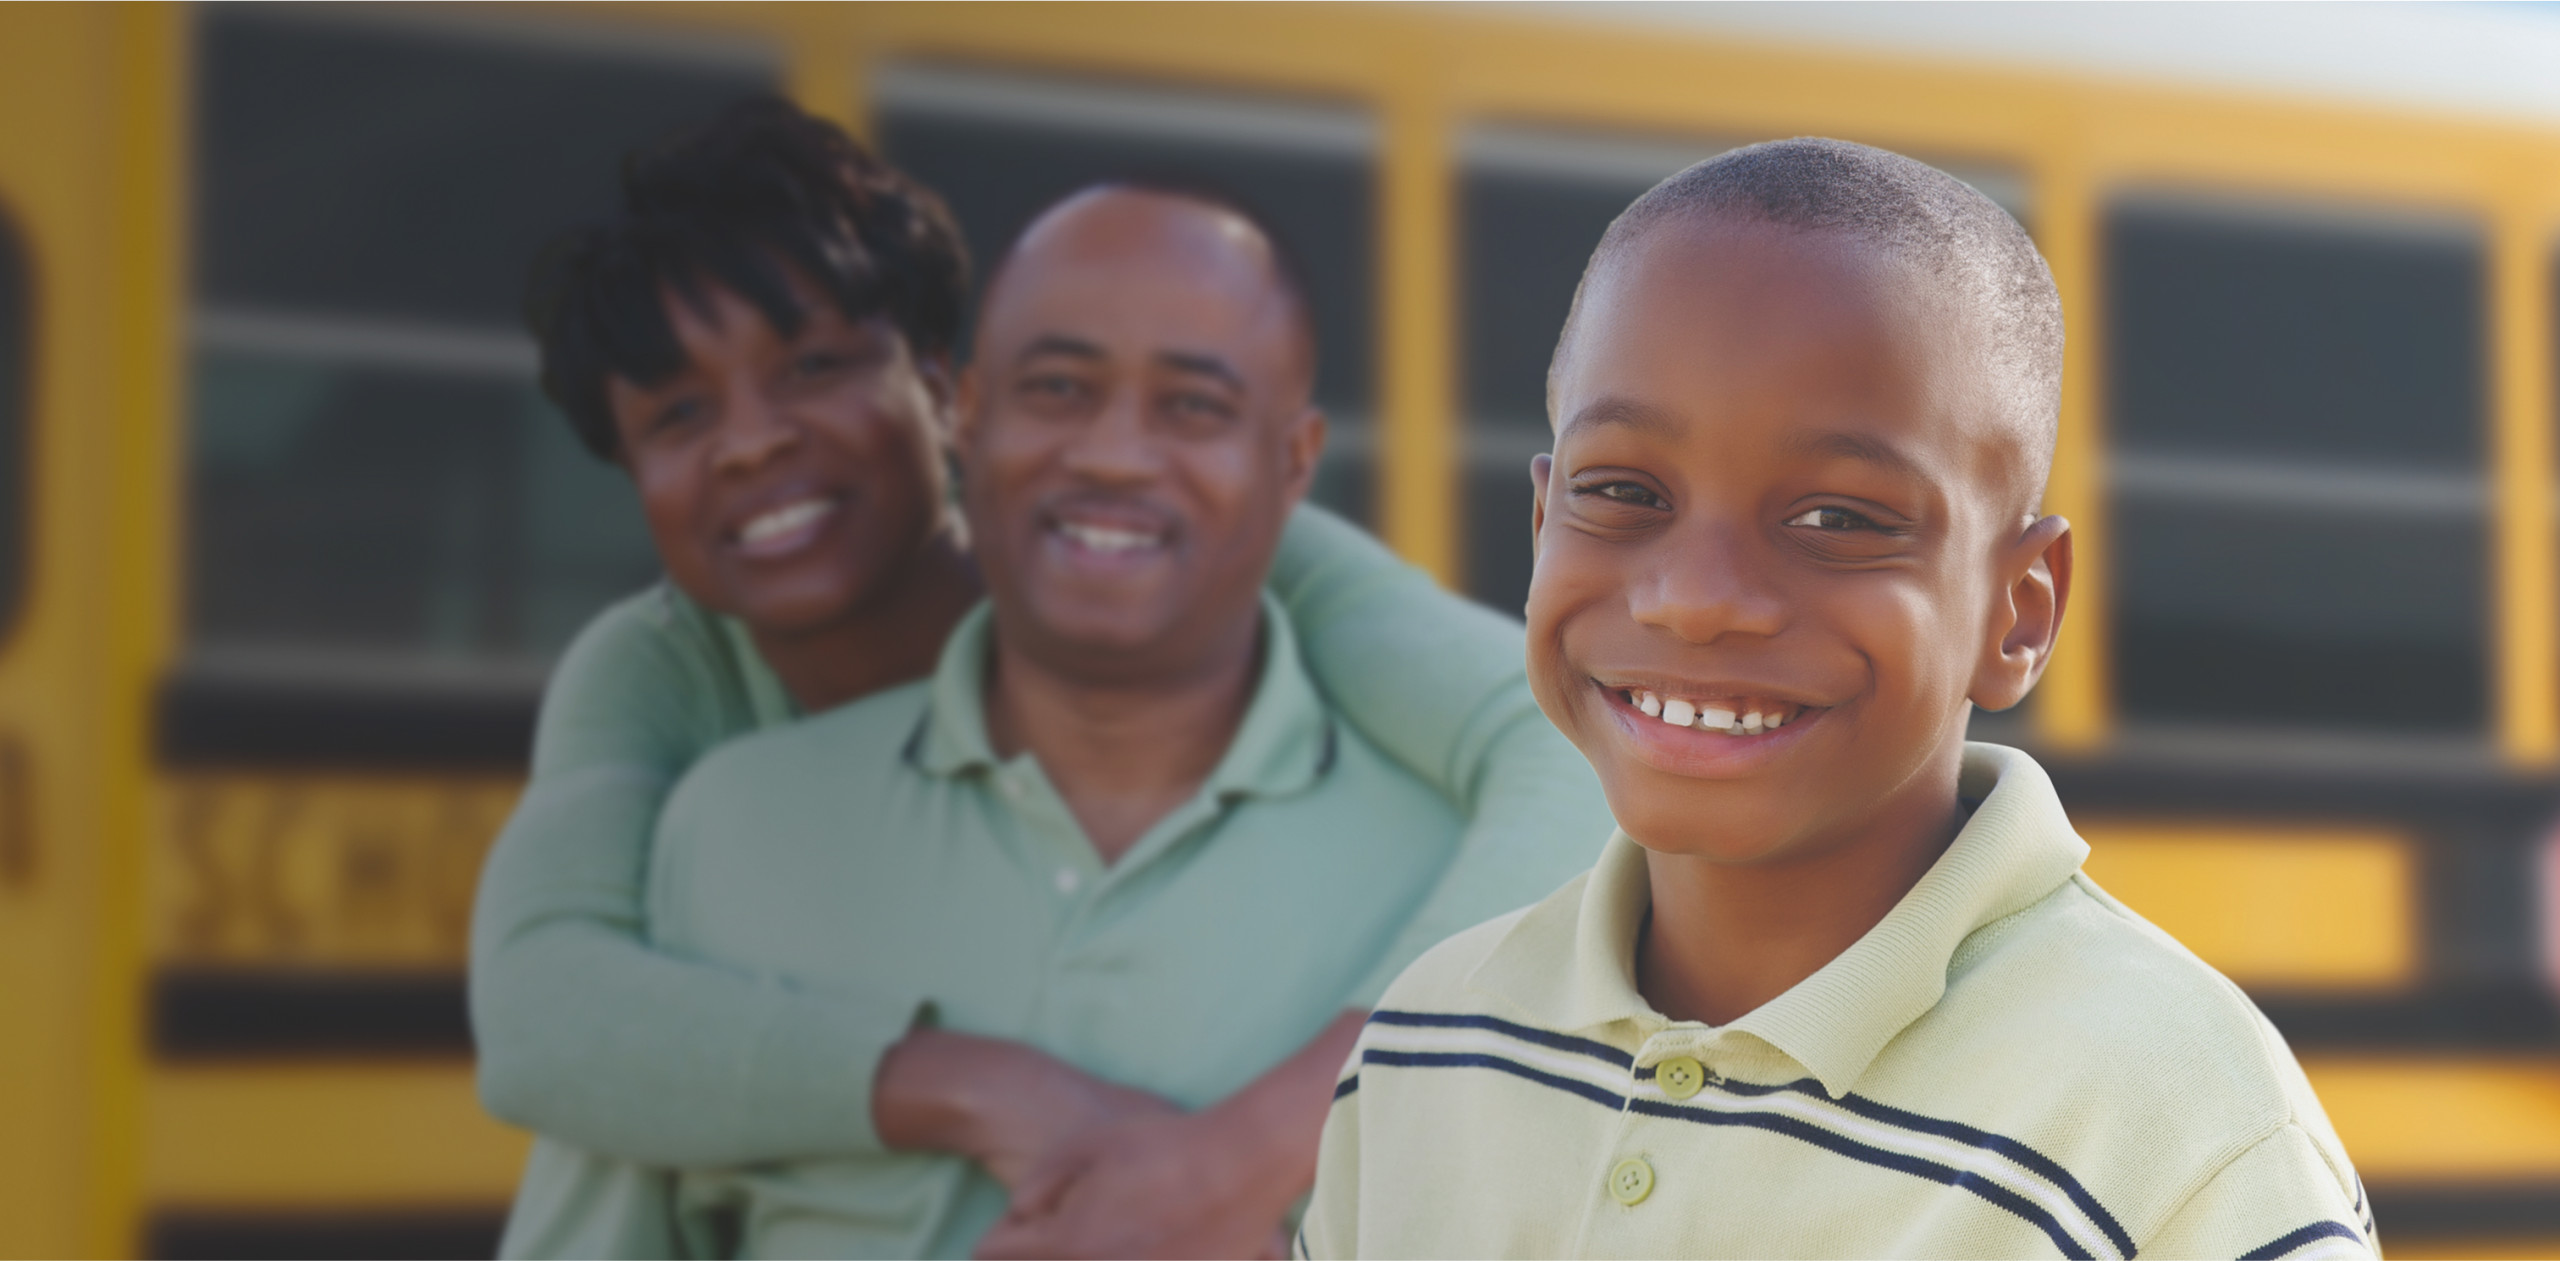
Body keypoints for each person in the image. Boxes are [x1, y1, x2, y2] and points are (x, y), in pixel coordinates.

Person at [470, 101, 1610, 1254]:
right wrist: (982, 1087)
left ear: (935, 390)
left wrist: (1249, 1156)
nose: (753, 440)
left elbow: (1561, 744)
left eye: (815, 365)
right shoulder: (684, 734)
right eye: (676, 414)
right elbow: (549, 1019)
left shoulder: (1223, 564)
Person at [1299, 138, 2374, 1260]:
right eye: (1621, 492)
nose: (1697, 601)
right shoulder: (1429, 1040)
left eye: (1839, 519)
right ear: (1539, 526)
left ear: (2018, 613)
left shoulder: (2180, 1132)